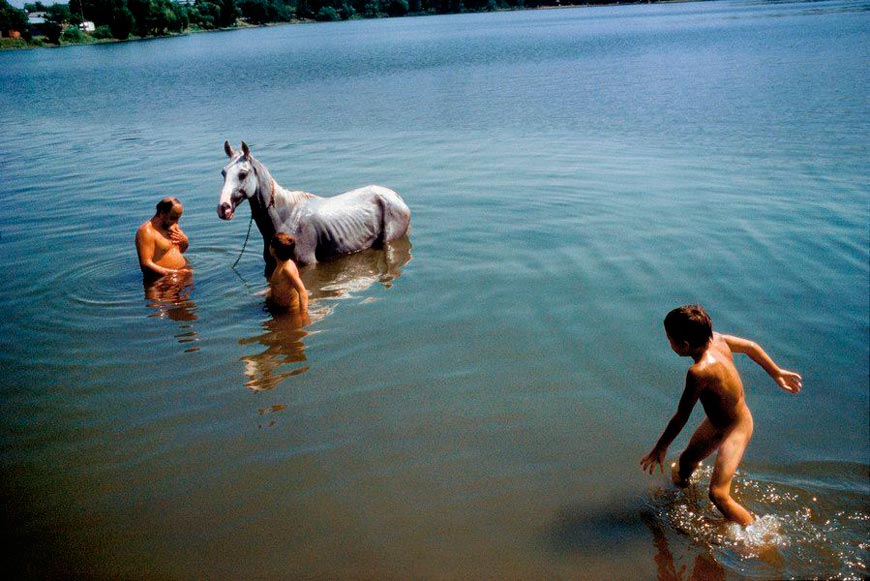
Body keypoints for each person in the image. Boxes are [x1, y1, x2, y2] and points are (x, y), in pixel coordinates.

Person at [640, 304, 802, 526]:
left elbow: (681, 416)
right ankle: (684, 501)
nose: (669, 343)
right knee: (686, 463)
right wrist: (776, 372)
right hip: (719, 423)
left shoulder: (698, 372)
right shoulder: (716, 339)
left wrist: (661, 446)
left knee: (717, 494)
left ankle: (755, 534)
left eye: (670, 339)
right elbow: (751, 347)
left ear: (684, 345)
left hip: (736, 427)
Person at [136, 197, 190, 277]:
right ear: (162, 214)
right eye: (173, 218)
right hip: (161, 281)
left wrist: (185, 242)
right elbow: (146, 265)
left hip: (181, 276)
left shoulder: (172, 225)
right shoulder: (146, 232)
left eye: (178, 218)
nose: (176, 223)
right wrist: (173, 273)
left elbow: (178, 251)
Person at [266, 233, 309, 318]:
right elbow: (280, 285)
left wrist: (303, 314)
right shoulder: (280, 265)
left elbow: (302, 291)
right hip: (277, 306)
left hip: (289, 310)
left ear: (273, 250)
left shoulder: (287, 269)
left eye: (270, 243)